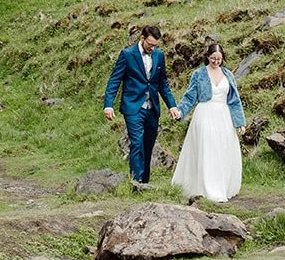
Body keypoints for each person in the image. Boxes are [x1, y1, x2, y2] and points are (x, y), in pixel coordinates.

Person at [170, 41, 246, 203]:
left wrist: (240, 122)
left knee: (222, 149)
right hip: (204, 114)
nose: (216, 62)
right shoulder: (199, 74)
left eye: (219, 59)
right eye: (213, 58)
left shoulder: (228, 75)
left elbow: (234, 100)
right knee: (207, 148)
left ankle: (222, 186)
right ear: (207, 57)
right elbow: (190, 97)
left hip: (224, 117)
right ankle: (207, 188)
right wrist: (180, 111)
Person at [103, 25, 177, 184]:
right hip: (133, 107)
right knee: (136, 143)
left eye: (155, 45)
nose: (152, 48)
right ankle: (136, 182)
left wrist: (172, 106)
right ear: (142, 38)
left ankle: (144, 181)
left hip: (152, 108)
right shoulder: (127, 54)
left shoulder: (159, 55)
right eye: (150, 44)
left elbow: (162, 83)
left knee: (148, 145)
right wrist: (108, 105)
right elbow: (115, 80)